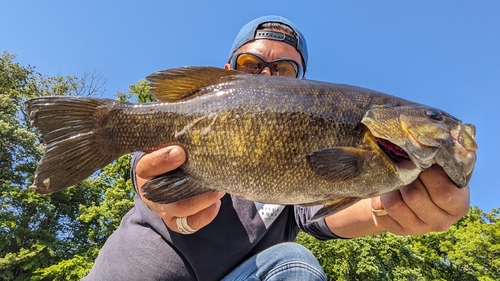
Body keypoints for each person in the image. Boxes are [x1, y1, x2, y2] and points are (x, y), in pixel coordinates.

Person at [84, 15, 470, 281]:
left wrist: (393, 212)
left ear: (301, 83)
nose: (267, 75)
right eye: (251, 63)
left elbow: (349, 211)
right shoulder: (175, 127)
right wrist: (162, 197)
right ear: (226, 71)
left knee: (293, 260)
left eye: (284, 71)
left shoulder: (299, 194)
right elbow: (149, 174)